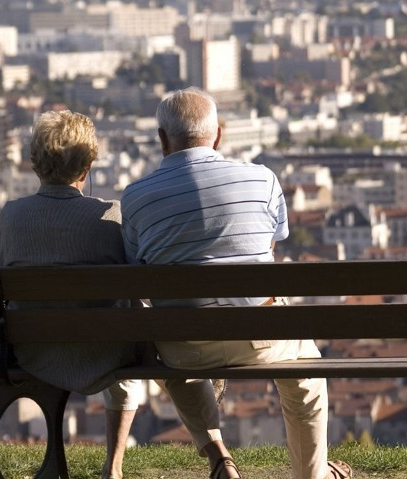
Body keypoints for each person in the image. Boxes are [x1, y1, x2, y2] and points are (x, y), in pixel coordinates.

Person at [120, 88, 352, 479]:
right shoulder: (262, 179)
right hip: (258, 335)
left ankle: (219, 459)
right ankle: (313, 475)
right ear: (219, 134)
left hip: (184, 346)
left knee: (168, 351)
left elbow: (136, 265)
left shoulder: (136, 198)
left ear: (162, 139)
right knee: (306, 378)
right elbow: (270, 244)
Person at [0, 110, 140, 479]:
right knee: (126, 365)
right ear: (88, 166)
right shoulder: (111, 216)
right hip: (105, 351)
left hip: (33, 350)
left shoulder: (12, 216)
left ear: (34, 163)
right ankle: (114, 466)